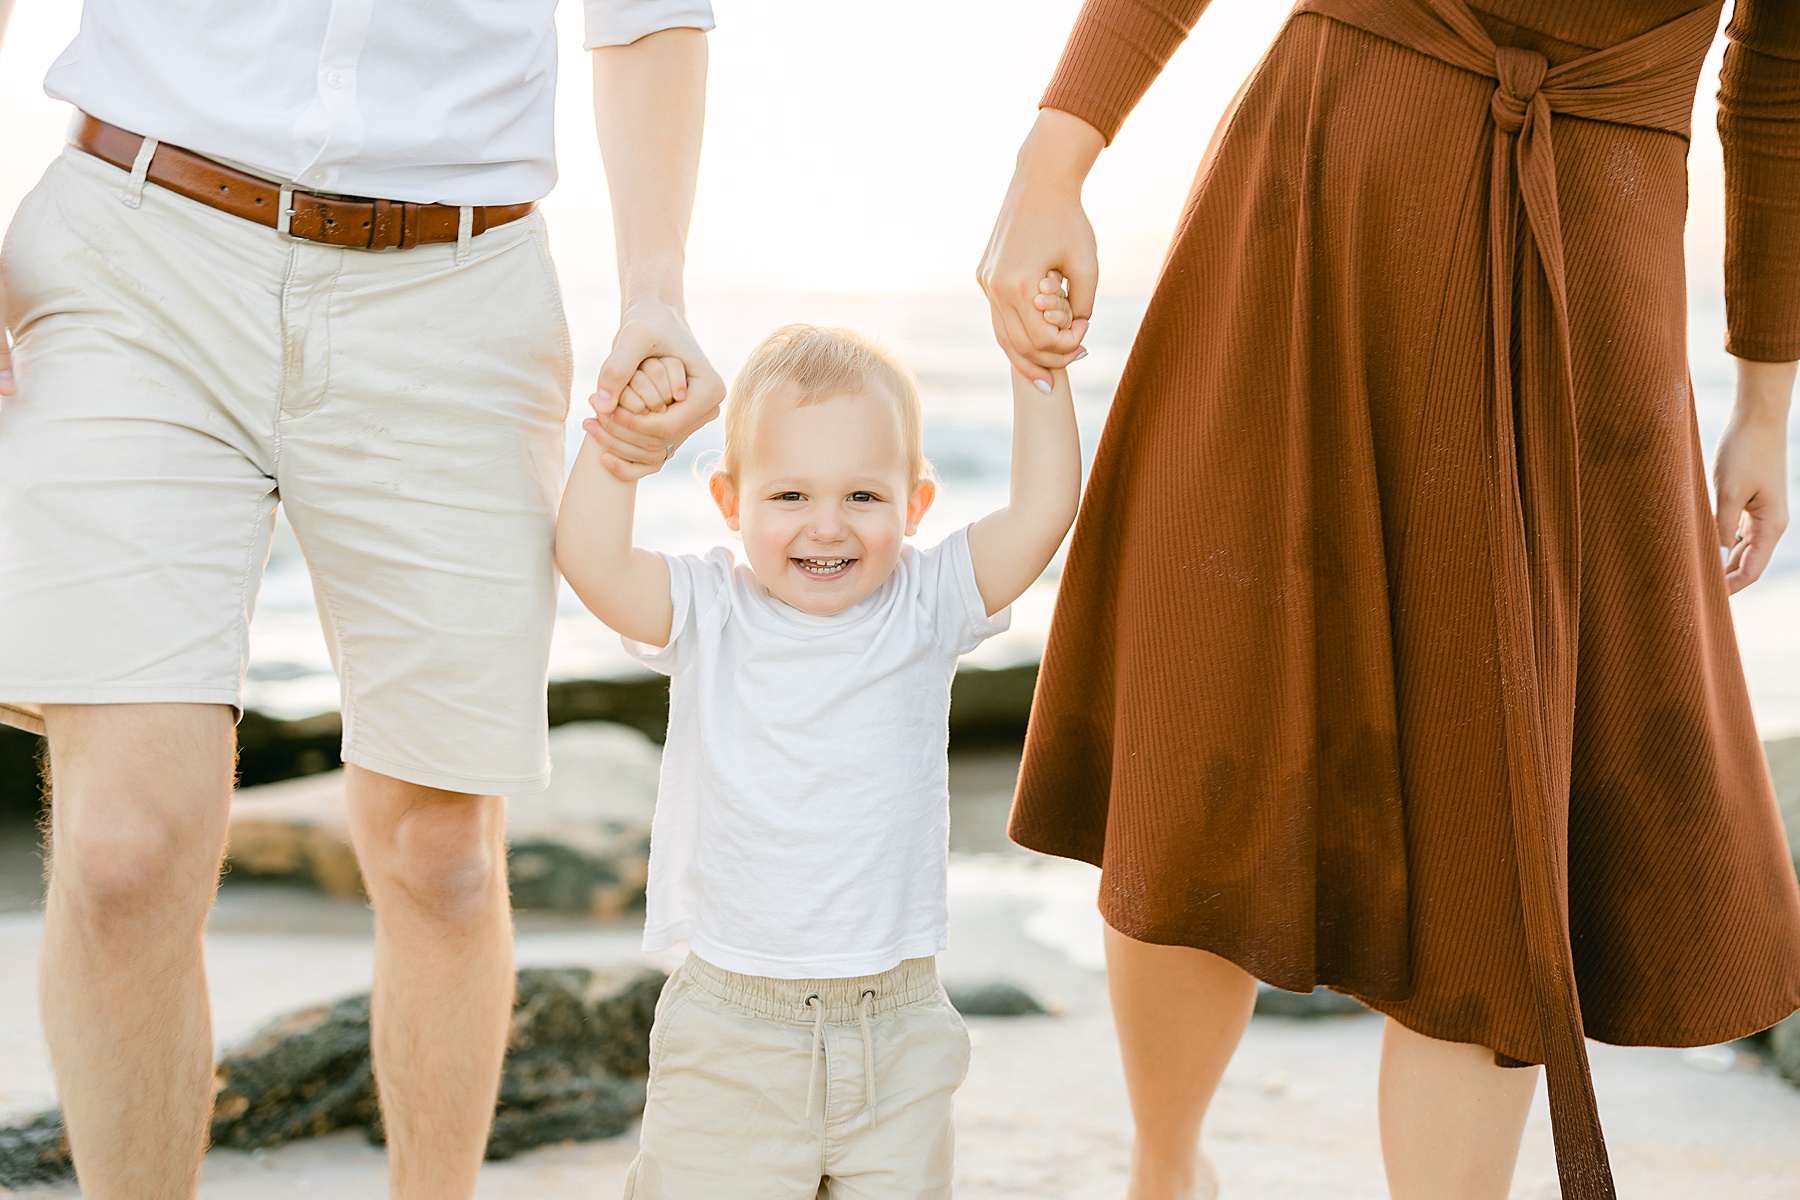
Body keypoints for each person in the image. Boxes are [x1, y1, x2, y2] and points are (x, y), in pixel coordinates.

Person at [978, 1, 1800, 1198]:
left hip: (1591, 243)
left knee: (1503, 811)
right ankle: (1165, 1177)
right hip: (1325, 182)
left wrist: (1766, 400)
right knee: (1212, 713)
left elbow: (1780, 67)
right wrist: (1055, 156)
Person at [0, 0, 728, 1195]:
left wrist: (655, 281)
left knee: (441, 855)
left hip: (456, 289)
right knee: (122, 850)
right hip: (138, 254)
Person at [554, 315, 1082, 1199]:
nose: (826, 528)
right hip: (736, 1028)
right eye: (790, 496)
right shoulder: (709, 612)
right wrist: (621, 447)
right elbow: (591, 556)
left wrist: (1039, 368)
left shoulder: (928, 603)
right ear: (731, 502)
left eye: (864, 498)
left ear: (915, 505)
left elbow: (1041, 510)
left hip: (898, 1030)